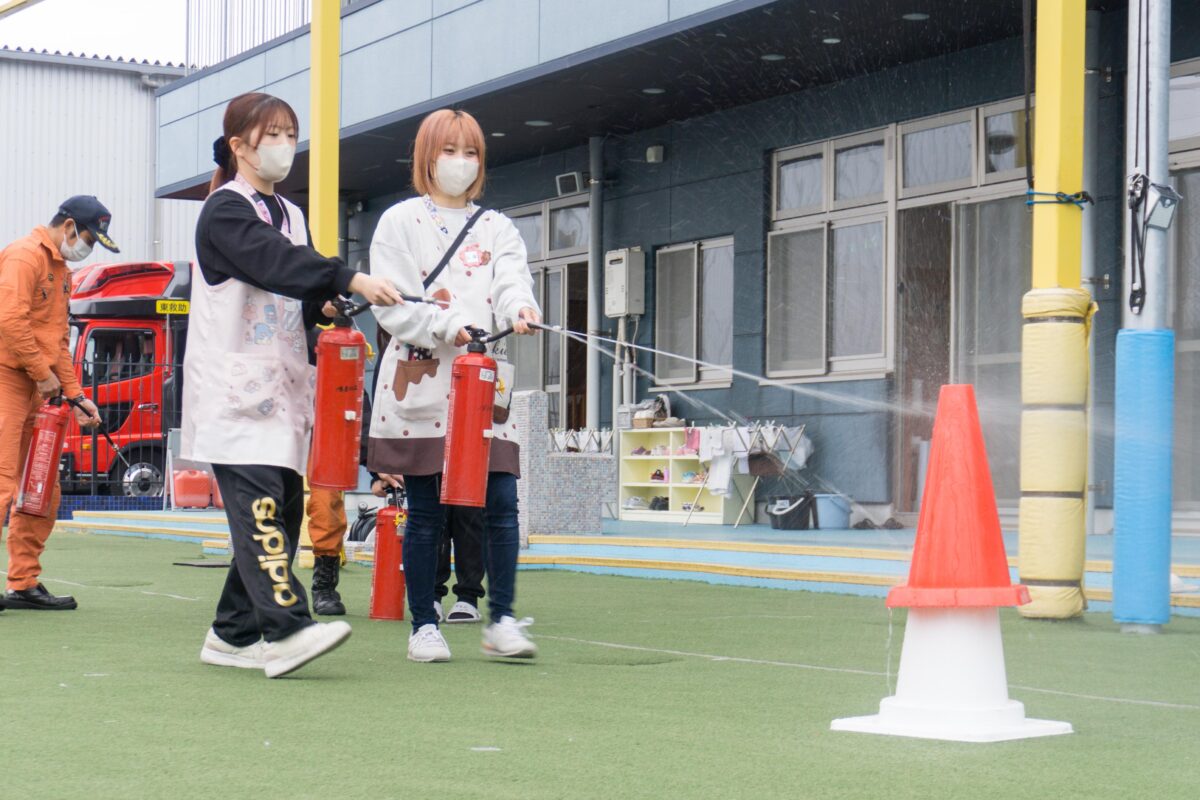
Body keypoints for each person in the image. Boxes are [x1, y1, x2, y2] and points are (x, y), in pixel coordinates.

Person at [184, 91, 402, 678]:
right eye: (272, 135)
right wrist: (347, 276)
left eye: (289, 134)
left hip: (281, 392)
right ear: (239, 146)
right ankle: (286, 630)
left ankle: (231, 634)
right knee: (261, 511)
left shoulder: (289, 213)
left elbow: (293, 289)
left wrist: (323, 304)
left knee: (280, 512)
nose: (284, 146)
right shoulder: (225, 211)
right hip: (234, 394)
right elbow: (273, 262)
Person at [368, 108, 541, 662]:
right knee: (426, 508)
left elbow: (511, 279)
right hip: (420, 381)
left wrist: (520, 308)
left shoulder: (496, 226)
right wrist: (448, 325)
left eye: (471, 153)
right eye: (449, 151)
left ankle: (502, 619)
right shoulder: (398, 221)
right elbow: (394, 303)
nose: (461, 163)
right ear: (427, 157)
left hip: (483, 382)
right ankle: (424, 624)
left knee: (501, 501)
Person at [0, 196, 107, 611]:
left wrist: (77, 396)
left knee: (41, 487)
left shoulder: (61, 270)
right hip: (8, 379)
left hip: (36, 387)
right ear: (68, 227)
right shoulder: (24, 256)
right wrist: (43, 374)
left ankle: (23, 583)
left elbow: (58, 342)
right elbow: (10, 321)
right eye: (88, 239)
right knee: (3, 483)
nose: (88, 248)